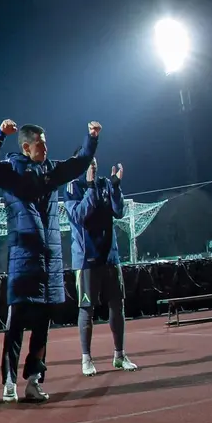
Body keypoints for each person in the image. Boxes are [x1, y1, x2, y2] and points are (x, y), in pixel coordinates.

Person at [0, 119, 99, 403]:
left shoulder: (51, 171)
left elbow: (79, 163)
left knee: (42, 328)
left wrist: (91, 139)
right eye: (40, 144)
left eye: (46, 143)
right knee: (16, 326)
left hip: (49, 263)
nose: (45, 148)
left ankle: (34, 381)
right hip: (23, 263)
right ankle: (9, 382)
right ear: (26, 147)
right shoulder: (10, 172)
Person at [64, 156, 138, 376]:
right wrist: (89, 187)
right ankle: (86, 358)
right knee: (87, 309)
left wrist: (115, 187)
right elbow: (80, 216)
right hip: (86, 259)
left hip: (110, 257)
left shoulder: (105, 183)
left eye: (95, 163)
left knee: (117, 305)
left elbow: (119, 211)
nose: (93, 167)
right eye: (89, 163)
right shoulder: (73, 187)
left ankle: (119, 355)